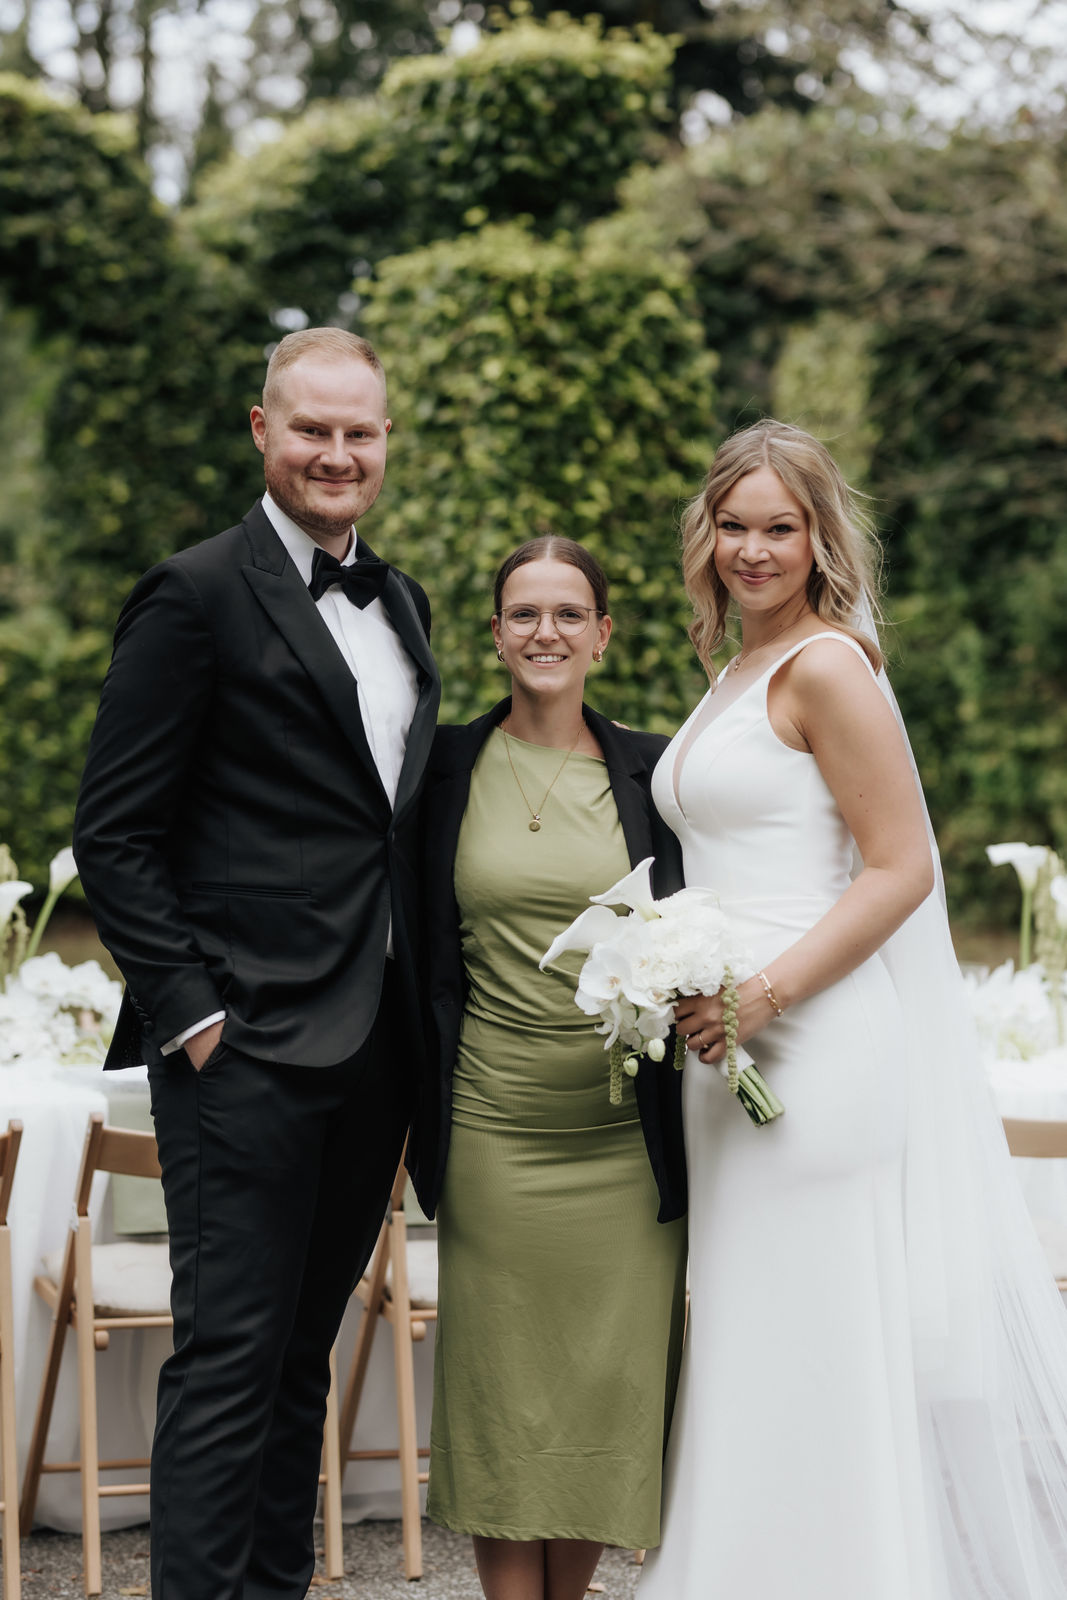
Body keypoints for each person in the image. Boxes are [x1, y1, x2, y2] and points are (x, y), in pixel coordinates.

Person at [641, 418, 1067, 1599]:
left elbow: (898, 868)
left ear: (819, 537)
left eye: (779, 528)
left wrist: (763, 991)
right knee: (752, 1329)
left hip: (813, 1048)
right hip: (724, 1055)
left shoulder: (824, 665)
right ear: (706, 534)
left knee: (817, 1327)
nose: (752, 550)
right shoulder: (730, 670)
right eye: (732, 526)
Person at [72, 327, 440, 1600]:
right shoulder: (194, 592)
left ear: (387, 441)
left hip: (377, 1048)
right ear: (261, 430)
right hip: (243, 1052)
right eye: (312, 429)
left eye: (361, 432)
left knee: (303, 1359)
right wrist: (193, 1017)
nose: (337, 453)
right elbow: (113, 833)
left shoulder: (401, 603)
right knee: (229, 1358)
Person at [408, 535, 688, 1600]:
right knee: (501, 1400)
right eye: (523, 614)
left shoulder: (652, 776)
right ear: (493, 635)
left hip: (622, 1146)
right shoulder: (439, 768)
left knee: (598, 1402)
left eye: (569, 613)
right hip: (490, 1129)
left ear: (603, 634)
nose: (546, 633)